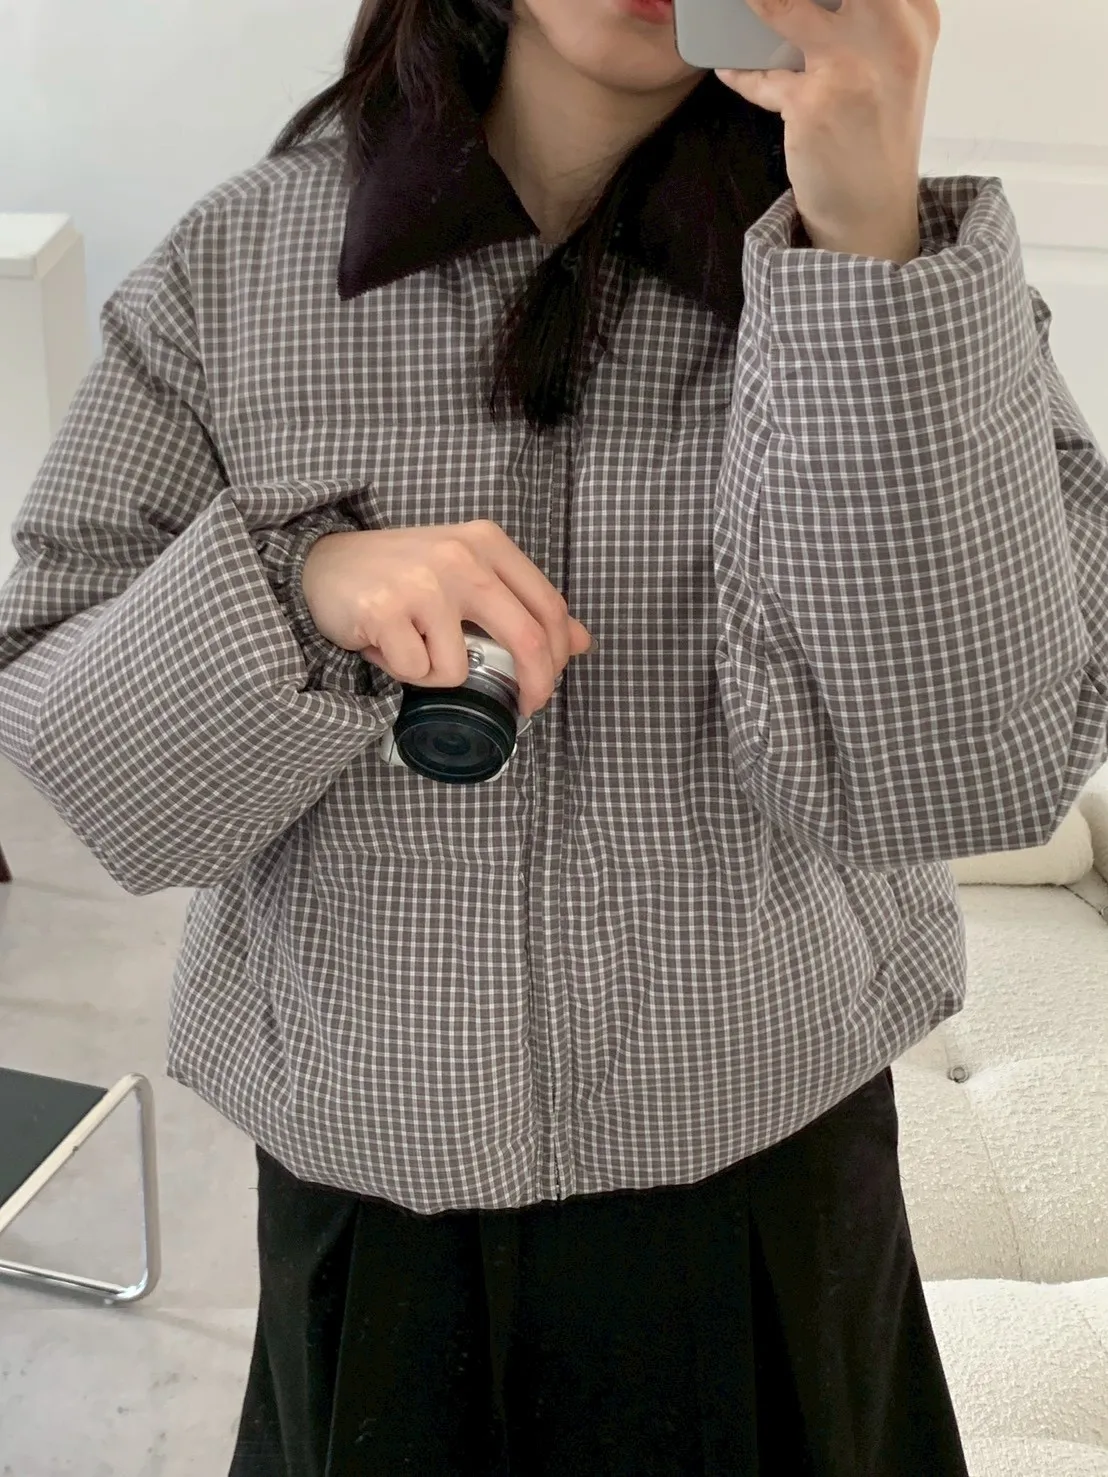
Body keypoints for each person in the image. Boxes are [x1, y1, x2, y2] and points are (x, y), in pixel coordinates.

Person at [2, 0, 1107, 1471]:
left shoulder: (904, 267)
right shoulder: (239, 269)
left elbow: (963, 770)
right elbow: (89, 760)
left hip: (764, 1188)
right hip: (370, 1205)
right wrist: (297, 590)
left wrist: (865, 246)